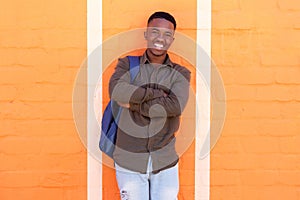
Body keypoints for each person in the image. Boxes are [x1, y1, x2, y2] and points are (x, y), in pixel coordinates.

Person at [108, 11, 191, 200]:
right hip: (129, 161)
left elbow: (175, 106)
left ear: (172, 39)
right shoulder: (127, 65)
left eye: (167, 34)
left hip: (165, 163)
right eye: (155, 32)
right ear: (146, 34)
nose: (160, 38)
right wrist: (154, 94)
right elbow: (117, 92)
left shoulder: (181, 73)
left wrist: (134, 103)